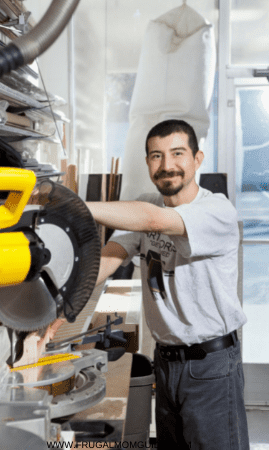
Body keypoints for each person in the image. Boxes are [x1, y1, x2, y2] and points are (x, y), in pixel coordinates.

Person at [86, 119, 249, 450]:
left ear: (197, 159)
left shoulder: (216, 210)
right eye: (156, 156)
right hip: (166, 363)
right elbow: (107, 260)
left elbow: (152, 221)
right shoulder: (148, 202)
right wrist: (55, 310)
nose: (167, 165)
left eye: (178, 153)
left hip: (211, 366)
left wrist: (74, 206)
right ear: (147, 163)